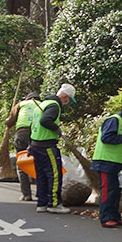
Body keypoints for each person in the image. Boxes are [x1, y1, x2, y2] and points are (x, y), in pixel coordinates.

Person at [31, 84, 76, 214]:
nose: (68, 103)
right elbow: (45, 121)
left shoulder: (43, 104)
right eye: (68, 99)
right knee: (54, 175)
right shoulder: (54, 106)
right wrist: (56, 129)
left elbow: (33, 125)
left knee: (41, 176)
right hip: (46, 146)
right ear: (65, 97)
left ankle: (42, 203)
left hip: (36, 144)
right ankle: (54, 204)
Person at [6, 93, 43, 201]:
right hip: (37, 134)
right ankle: (41, 194)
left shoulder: (21, 104)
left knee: (22, 164)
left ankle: (26, 194)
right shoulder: (42, 105)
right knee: (39, 164)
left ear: (28, 98)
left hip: (22, 134)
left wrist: (7, 123)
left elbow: (10, 122)